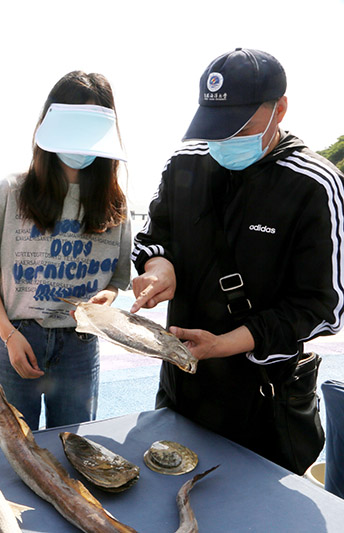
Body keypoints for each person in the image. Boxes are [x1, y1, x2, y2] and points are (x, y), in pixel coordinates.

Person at [131, 48, 344, 474]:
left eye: (240, 125)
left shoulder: (315, 186)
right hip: (181, 385)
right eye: (215, 127)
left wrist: (225, 344)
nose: (224, 140)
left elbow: (324, 307)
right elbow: (154, 239)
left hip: (263, 399)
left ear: (280, 109)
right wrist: (158, 267)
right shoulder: (184, 163)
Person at [0, 71, 131, 436]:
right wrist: (9, 335)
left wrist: (108, 297)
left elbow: (117, 281)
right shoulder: (11, 191)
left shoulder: (115, 203)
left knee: (74, 448)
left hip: (81, 342)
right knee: (7, 451)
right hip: (18, 335)